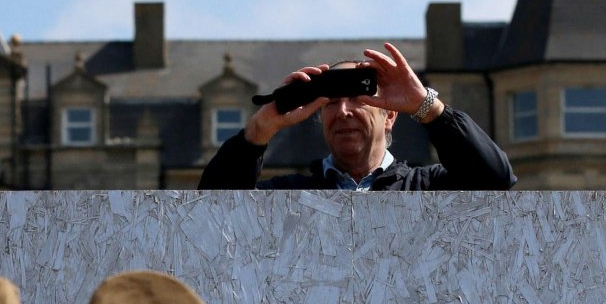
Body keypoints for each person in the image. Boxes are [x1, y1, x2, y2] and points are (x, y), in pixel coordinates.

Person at [199, 42, 515, 191]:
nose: (343, 111)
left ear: (390, 116)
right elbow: (212, 208)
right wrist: (261, 127)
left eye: (356, 99)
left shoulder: (426, 189)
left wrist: (426, 106)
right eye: (331, 103)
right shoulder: (291, 197)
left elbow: (495, 179)